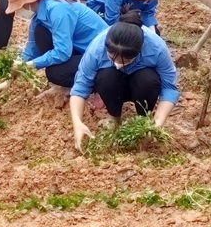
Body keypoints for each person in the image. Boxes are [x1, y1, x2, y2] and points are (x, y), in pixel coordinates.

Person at [70, 8, 180, 150]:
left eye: (126, 60)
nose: (118, 63)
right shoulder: (97, 48)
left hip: (142, 85)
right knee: (106, 76)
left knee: (148, 78)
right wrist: (77, 122)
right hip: (113, 85)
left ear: (139, 50)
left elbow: (169, 88)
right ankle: (114, 117)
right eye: (111, 57)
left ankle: (143, 119)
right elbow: (80, 87)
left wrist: (158, 121)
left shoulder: (156, 47)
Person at [3, 0, 108, 97]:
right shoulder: (38, 16)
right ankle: (67, 83)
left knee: (55, 73)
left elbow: (63, 52)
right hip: (82, 51)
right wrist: (8, 80)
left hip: (101, 56)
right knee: (40, 32)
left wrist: (31, 65)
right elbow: (30, 51)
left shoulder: (57, 9)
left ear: (29, 1)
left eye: (19, 7)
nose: (18, 12)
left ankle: (88, 86)